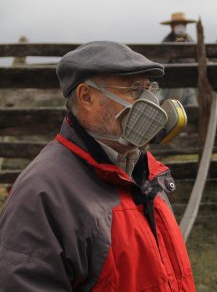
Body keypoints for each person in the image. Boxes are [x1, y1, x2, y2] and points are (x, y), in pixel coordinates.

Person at [0, 41, 196, 291]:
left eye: (149, 90)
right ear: (86, 97)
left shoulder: (147, 172)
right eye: (134, 90)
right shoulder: (43, 194)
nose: (150, 103)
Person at [160, 12, 198, 106]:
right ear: (172, 26)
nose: (181, 27)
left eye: (183, 24)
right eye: (177, 24)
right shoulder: (167, 42)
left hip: (190, 82)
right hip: (172, 84)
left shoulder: (190, 40)